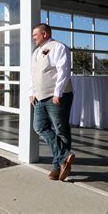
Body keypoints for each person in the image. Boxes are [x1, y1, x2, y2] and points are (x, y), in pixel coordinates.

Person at [29, 23, 75, 181]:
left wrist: (58, 93)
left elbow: (64, 70)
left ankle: (58, 167)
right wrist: (31, 92)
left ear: (45, 34)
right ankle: (65, 157)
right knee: (39, 127)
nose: (33, 38)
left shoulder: (58, 47)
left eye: (35, 35)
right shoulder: (36, 52)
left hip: (57, 96)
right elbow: (33, 74)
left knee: (61, 129)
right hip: (40, 97)